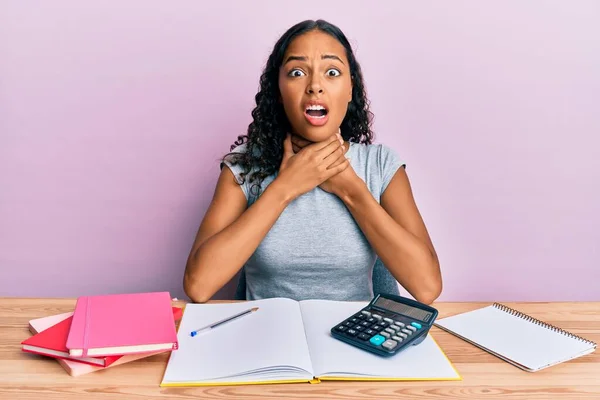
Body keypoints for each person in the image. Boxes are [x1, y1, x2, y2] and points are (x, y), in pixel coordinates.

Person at [183, 19, 442, 304]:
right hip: (264, 338)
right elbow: (199, 285)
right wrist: (285, 188)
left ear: (350, 89)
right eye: (296, 72)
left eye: (332, 72)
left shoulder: (380, 165)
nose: (315, 86)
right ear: (278, 92)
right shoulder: (244, 167)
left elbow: (427, 287)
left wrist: (350, 189)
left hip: (355, 340)